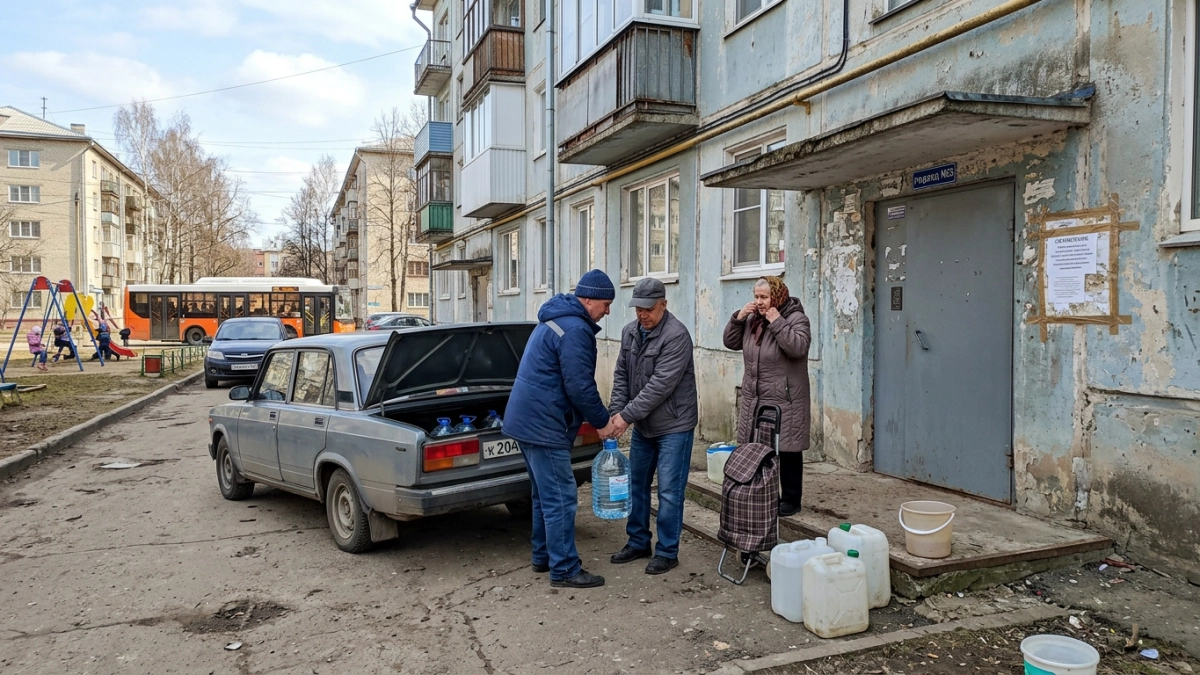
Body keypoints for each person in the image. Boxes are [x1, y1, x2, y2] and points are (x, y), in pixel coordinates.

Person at [504, 269, 620, 590]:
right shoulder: (576, 329)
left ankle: (543, 556)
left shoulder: (555, 319)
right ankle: (565, 568)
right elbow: (580, 387)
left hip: (527, 420)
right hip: (544, 424)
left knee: (543, 496)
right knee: (561, 498)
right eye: (606, 304)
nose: (608, 311)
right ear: (589, 300)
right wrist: (603, 423)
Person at [607, 277, 698, 575]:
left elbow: (659, 387)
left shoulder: (677, 336)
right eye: (638, 309)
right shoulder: (630, 332)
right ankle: (638, 542)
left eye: (648, 309)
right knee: (636, 484)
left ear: (663, 304)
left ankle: (667, 551)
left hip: (675, 425)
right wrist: (615, 412)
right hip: (644, 426)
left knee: (669, 491)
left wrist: (625, 417)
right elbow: (622, 376)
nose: (642, 315)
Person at [722, 276, 812, 517]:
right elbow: (730, 342)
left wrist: (777, 322)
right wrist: (738, 318)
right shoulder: (753, 320)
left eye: (764, 297)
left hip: (786, 397)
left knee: (788, 449)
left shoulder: (796, 319)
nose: (759, 302)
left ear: (777, 297)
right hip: (757, 396)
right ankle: (766, 494)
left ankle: (791, 499)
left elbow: (798, 348)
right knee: (760, 448)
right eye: (756, 297)